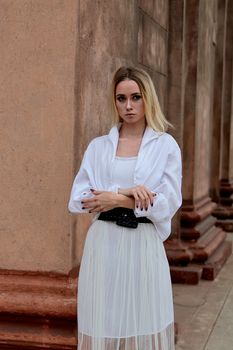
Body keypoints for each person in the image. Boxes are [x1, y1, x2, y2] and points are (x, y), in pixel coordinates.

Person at [68, 66, 182, 350]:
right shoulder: (99, 147)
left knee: (143, 321)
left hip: (143, 244)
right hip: (104, 245)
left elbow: (168, 201)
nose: (128, 106)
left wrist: (118, 199)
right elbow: (78, 198)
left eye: (136, 97)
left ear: (148, 99)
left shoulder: (165, 145)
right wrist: (127, 190)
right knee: (104, 322)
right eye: (121, 98)